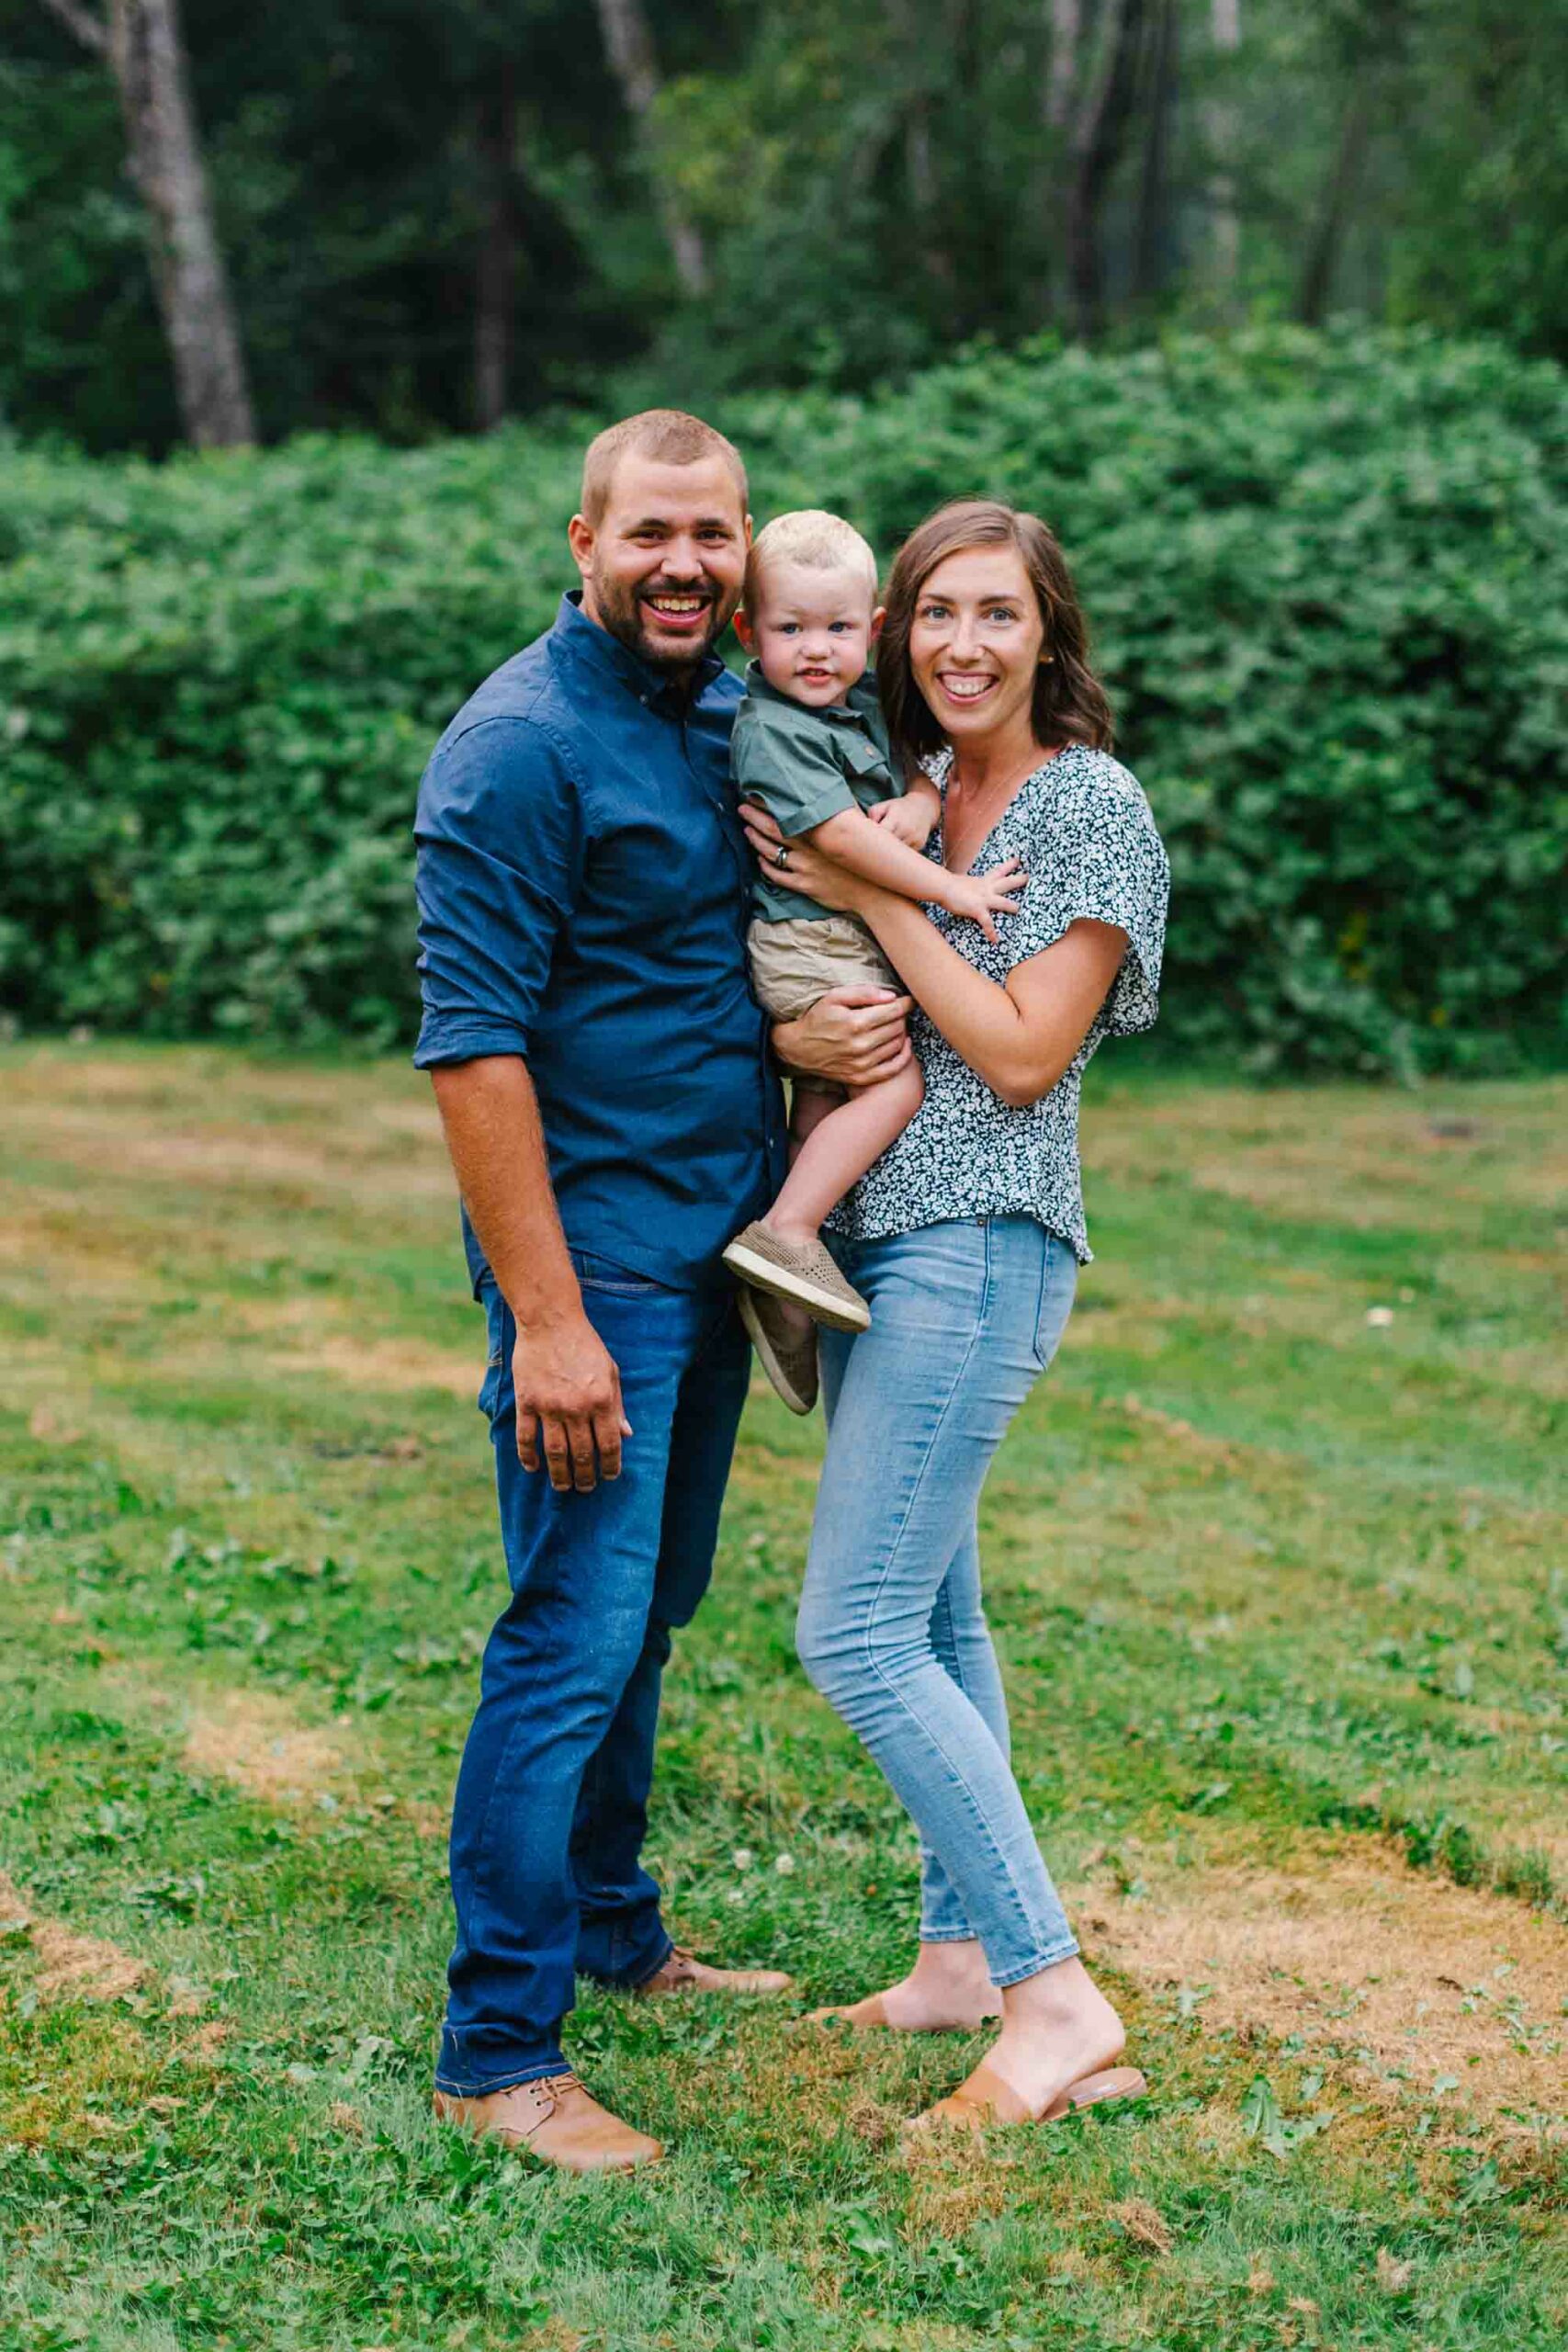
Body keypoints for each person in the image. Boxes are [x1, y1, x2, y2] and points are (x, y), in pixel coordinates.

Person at [412, 411, 911, 2173]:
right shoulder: (517, 749)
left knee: (649, 1612)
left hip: (719, 1240)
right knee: (568, 1635)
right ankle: (498, 2051)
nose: (686, 566)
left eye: (713, 535)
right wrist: (548, 1322)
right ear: (582, 543)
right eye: (650, 537)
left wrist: (800, 1029)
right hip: (595, 1261)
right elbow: (474, 1049)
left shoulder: (721, 715)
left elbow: (707, 959)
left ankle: (616, 1933)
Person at [741, 498, 1170, 2135]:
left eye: (997, 614)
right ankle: (953, 1961)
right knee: (927, 1620)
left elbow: (1009, 1052)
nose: (961, 645)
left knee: (847, 1631)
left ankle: (1052, 1997)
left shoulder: (1084, 806)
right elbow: (829, 998)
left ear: (1048, 630)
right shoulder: (907, 787)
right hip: (875, 1239)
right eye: (934, 615)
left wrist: (891, 891)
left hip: (975, 1242)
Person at [720, 509, 1026, 1398]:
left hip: (834, 938)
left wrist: (927, 806)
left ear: (873, 631)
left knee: (825, 1093)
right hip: (810, 942)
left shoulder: (854, 706)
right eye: (790, 629)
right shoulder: (771, 728)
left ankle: (782, 1294)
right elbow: (844, 841)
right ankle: (788, 1229)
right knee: (894, 1082)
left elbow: (921, 765)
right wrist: (954, 889)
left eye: (838, 629)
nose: (816, 651)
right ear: (750, 631)